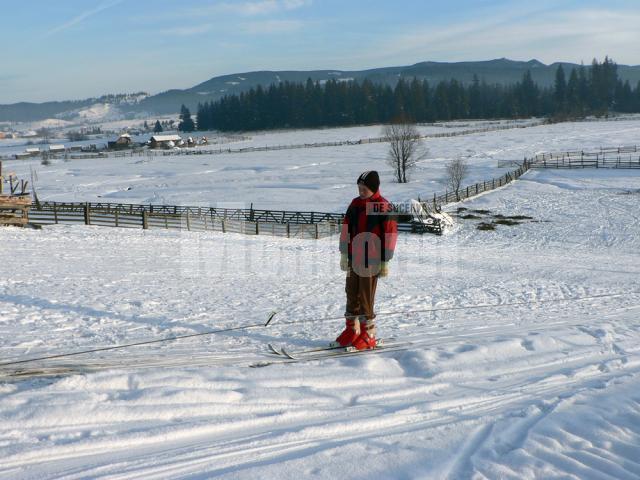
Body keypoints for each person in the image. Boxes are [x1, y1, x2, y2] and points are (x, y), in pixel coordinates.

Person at [334, 170, 398, 350]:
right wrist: (344, 253)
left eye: (364, 189)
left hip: (373, 260)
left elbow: (391, 234)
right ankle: (352, 330)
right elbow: (346, 227)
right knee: (351, 291)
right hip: (354, 258)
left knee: (365, 295)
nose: (360, 192)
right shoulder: (355, 204)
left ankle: (368, 333)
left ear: (374, 188)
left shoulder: (383, 206)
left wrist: (385, 261)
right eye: (359, 188)